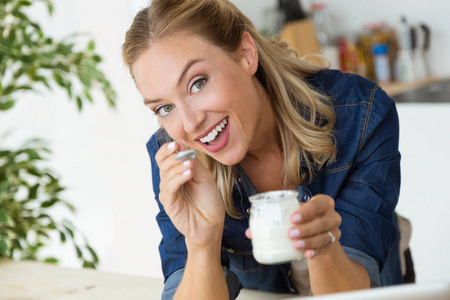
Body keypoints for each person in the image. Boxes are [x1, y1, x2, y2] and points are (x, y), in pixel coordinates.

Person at [122, 0, 404, 299]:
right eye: (165, 107)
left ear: (246, 54)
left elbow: (355, 290)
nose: (190, 124)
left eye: (198, 83)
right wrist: (202, 244)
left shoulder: (361, 114)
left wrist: (323, 247)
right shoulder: (175, 157)